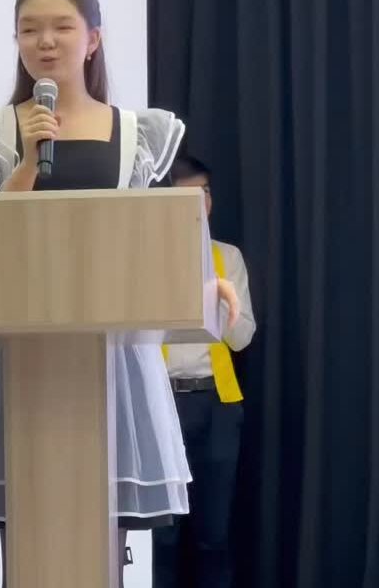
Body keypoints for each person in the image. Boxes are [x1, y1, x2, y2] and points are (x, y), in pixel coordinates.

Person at [0, 0, 240, 586]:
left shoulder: (141, 134)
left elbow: (159, 235)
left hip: (112, 362)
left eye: (62, 27)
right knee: (27, 531)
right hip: (19, 355)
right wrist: (26, 164)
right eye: (29, 30)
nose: (45, 41)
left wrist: (205, 280)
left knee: (105, 536)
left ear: (93, 39)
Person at [152, 155, 256, 588]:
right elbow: (134, 337)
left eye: (206, 192)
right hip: (160, 405)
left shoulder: (227, 257)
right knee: (162, 536)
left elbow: (243, 337)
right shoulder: (148, 258)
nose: (202, 202)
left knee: (214, 536)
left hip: (216, 405)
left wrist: (219, 303)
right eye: (190, 195)